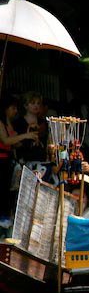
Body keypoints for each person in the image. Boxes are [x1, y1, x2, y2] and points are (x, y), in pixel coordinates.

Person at [0, 95, 38, 226]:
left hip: (10, 161)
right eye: (13, 108)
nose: (15, 111)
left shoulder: (8, 122)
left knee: (10, 190)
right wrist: (26, 135)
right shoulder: (0, 123)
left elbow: (15, 143)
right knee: (3, 190)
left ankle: (7, 217)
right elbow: (6, 140)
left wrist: (29, 137)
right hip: (1, 161)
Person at [10, 91, 48, 164]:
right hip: (24, 160)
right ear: (25, 105)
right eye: (33, 103)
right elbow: (15, 144)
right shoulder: (18, 123)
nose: (36, 106)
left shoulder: (43, 122)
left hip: (41, 160)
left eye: (38, 103)